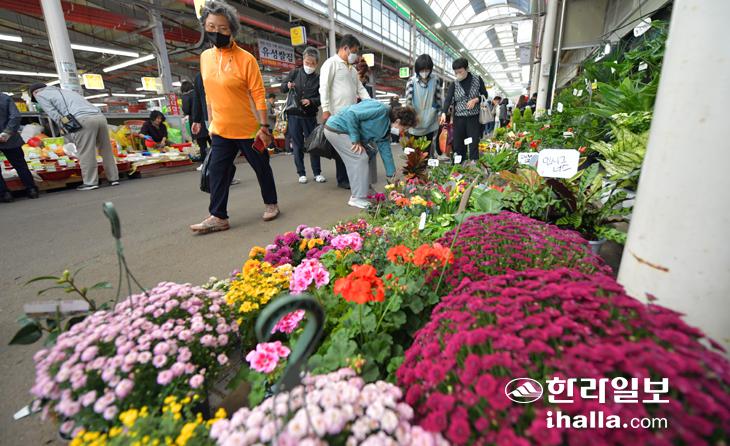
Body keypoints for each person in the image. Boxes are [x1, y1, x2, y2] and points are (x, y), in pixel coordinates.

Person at [190, 0, 279, 234]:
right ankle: (218, 216)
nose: (216, 32)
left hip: (249, 129)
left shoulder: (246, 59)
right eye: (211, 27)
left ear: (232, 30)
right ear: (204, 26)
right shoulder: (205, 57)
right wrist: (211, 123)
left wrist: (264, 126)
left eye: (222, 28)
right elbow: (208, 93)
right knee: (218, 172)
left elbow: (258, 94)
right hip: (221, 128)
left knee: (261, 167)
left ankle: (271, 203)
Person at [324, 100, 416, 209]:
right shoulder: (381, 109)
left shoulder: (386, 128)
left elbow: (386, 152)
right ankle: (357, 198)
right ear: (397, 121)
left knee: (370, 154)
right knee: (359, 157)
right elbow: (351, 114)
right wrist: (355, 140)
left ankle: (366, 190)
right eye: (404, 128)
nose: (403, 131)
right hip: (337, 129)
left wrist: (392, 176)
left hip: (346, 131)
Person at [29, 83, 119, 191]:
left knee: (86, 152)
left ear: (34, 93)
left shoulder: (40, 95)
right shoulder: (65, 91)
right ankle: (114, 178)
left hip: (82, 120)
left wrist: (64, 127)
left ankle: (90, 182)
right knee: (106, 150)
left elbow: (53, 114)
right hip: (100, 117)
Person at [319, 34, 370, 190]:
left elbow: (360, 89)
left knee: (352, 147)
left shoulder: (352, 69)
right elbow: (324, 87)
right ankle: (342, 179)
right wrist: (325, 109)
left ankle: (352, 177)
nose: (355, 55)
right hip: (336, 116)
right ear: (345, 48)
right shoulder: (331, 64)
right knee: (342, 149)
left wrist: (371, 104)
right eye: (353, 51)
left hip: (352, 116)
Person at [281, 46, 324, 184]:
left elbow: (322, 97)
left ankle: (317, 173)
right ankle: (301, 173)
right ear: (303, 61)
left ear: (316, 64)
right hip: (294, 116)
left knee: (313, 145)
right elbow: (282, 88)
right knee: (297, 145)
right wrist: (287, 86)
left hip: (309, 116)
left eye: (312, 64)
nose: (309, 66)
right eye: (307, 62)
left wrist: (311, 101)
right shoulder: (294, 73)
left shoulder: (319, 79)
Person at [439, 58, 487, 161]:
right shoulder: (454, 83)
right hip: (459, 119)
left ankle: (474, 164)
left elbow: (485, 94)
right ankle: (459, 165)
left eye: (460, 72)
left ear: (467, 69)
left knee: (473, 143)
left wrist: (476, 100)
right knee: (459, 144)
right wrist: (443, 113)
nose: (458, 75)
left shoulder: (477, 79)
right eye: (456, 72)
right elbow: (448, 99)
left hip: (473, 118)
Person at [0, 92, 38, 202]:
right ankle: (31, 190)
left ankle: (5, 194)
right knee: (20, 165)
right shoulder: (4, 98)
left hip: (10, 138)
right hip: (10, 138)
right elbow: (15, 116)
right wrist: (7, 132)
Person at [405, 54, 442, 158]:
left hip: (431, 121)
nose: (424, 72)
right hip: (416, 121)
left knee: (428, 152)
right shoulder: (411, 81)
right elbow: (408, 102)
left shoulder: (436, 80)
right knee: (415, 154)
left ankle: (428, 166)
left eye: (427, 70)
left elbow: (438, 100)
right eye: (422, 70)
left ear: (430, 69)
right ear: (417, 69)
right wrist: (411, 117)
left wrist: (440, 114)